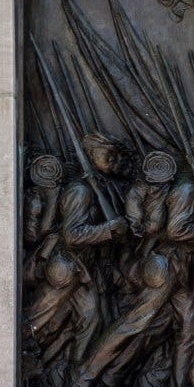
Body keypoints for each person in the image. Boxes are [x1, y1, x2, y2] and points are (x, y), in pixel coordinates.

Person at [58, 133, 132, 366]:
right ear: (90, 156)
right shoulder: (80, 191)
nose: (114, 160)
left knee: (105, 320)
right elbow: (72, 235)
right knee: (91, 319)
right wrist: (109, 229)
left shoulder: (103, 187)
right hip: (72, 266)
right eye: (107, 155)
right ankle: (76, 372)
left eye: (115, 155)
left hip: (94, 267)